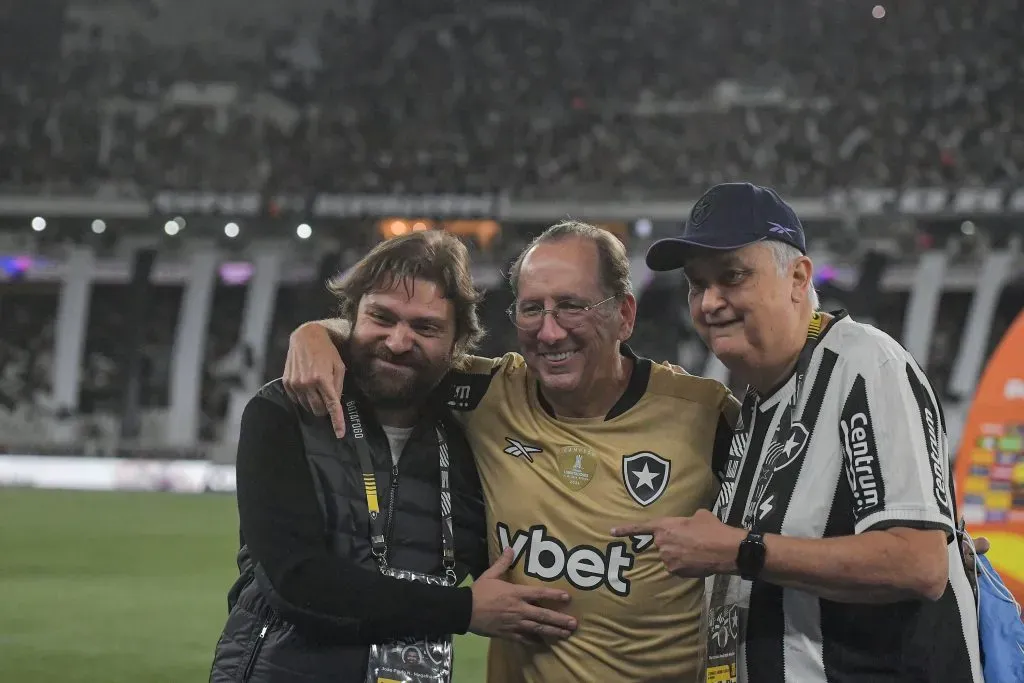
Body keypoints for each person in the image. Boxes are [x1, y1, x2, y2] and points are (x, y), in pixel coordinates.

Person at [284, 221, 739, 682]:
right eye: (531, 309)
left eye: (571, 307)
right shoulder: (485, 395)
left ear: (624, 314)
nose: (549, 332)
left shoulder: (704, 417)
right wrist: (317, 334)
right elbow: (402, 346)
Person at [612, 182, 984, 682]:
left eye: (733, 276)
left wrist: (738, 549)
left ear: (798, 277)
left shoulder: (864, 366)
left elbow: (918, 563)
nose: (709, 303)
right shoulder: (761, 400)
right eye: (697, 284)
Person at [209, 231, 577, 683]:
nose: (399, 342)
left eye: (425, 327)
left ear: (458, 342)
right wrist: (463, 610)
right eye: (381, 318)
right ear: (353, 317)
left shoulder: (472, 431)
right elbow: (296, 581)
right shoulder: (284, 412)